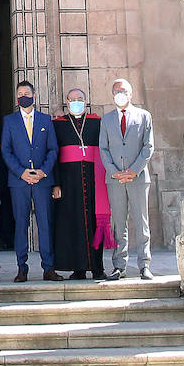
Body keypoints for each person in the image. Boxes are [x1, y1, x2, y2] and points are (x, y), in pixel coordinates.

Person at [1, 79, 60, 282]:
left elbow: (53, 149)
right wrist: (21, 172)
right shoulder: (9, 121)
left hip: (42, 180)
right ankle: (21, 267)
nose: (23, 97)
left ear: (34, 96)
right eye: (19, 94)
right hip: (19, 181)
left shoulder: (45, 120)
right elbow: (6, 151)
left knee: (45, 223)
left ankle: (49, 267)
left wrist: (43, 171)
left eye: (26, 93)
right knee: (21, 224)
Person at [52, 85, 114, 280]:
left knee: (95, 223)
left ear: (85, 102)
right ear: (67, 103)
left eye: (80, 99)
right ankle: (77, 268)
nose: (76, 102)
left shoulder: (97, 122)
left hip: (93, 180)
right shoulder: (58, 124)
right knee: (73, 223)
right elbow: (53, 155)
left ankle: (98, 267)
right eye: (72, 99)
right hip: (69, 181)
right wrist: (56, 184)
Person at [98, 77, 154, 280]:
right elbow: (103, 148)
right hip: (114, 179)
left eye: (123, 90)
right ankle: (119, 265)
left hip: (137, 178)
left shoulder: (144, 116)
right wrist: (114, 171)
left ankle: (144, 265)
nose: (119, 94)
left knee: (141, 222)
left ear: (131, 94)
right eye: (116, 91)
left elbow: (148, 147)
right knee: (118, 223)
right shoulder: (107, 120)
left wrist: (134, 170)